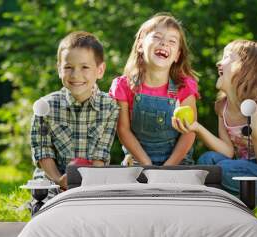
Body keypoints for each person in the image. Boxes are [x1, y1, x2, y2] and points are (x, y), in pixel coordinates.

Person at [173, 39, 257, 204]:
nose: (219, 62)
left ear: (248, 71)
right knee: (207, 161)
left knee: (224, 169)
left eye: (227, 57)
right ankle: (225, 199)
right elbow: (227, 152)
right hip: (246, 168)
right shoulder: (222, 108)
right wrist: (196, 128)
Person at [30, 31, 119, 198]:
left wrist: (82, 184)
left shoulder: (110, 107)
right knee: (50, 211)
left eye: (84, 67)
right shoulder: (45, 107)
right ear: (59, 69)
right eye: (68, 67)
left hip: (91, 181)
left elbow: (101, 155)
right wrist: (59, 180)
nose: (75, 75)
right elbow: (43, 152)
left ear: (100, 70)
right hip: (51, 182)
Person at [109, 13, 199, 166]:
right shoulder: (123, 86)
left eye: (172, 41)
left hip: (178, 163)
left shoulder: (183, 86)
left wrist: (168, 167)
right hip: (137, 162)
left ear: (177, 55)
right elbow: (123, 131)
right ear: (140, 46)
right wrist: (147, 164)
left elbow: (189, 132)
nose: (164, 43)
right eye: (157, 37)